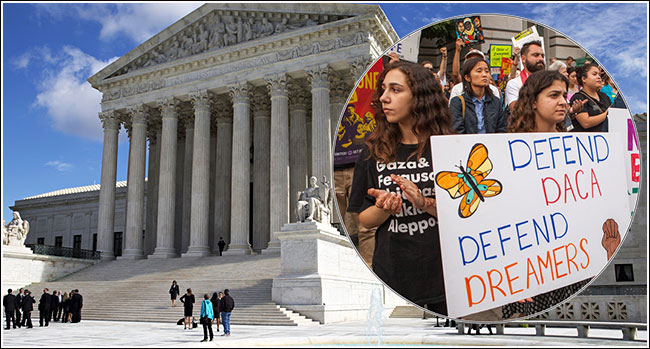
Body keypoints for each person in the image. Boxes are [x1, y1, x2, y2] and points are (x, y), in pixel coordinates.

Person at [348, 61, 453, 315]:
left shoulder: (448, 146)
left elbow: (462, 214)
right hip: (394, 277)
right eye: (383, 90)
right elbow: (364, 219)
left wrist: (423, 202)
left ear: (419, 96)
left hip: (446, 277)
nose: (384, 98)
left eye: (395, 90)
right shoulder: (370, 151)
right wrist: (384, 208)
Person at [449, 57, 506, 134]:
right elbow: (457, 131)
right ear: (467, 77)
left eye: (487, 71)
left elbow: (501, 129)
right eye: (479, 71)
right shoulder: (457, 102)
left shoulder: (495, 101)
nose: (484, 75)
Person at [449, 39, 500, 104]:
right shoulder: (458, 89)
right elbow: (455, 74)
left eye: (486, 71)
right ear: (467, 77)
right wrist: (457, 50)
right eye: (471, 60)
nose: (474, 62)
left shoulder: (493, 90)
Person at [505, 40, 546, 111]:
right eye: (536, 55)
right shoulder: (514, 84)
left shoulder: (550, 81)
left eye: (542, 56)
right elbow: (516, 111)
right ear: (523, 59)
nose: (541, 59)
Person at [569, 63, 610, 132]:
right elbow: (586, 123)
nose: (599, 77)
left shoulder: (604, 96)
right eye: (594, 74)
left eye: (599, 75)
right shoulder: (579, 97)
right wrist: (608, 113)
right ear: (584, 79)